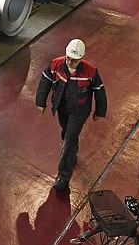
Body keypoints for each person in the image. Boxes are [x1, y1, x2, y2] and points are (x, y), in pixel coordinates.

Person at [36, 39, 107, 192]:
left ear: (81, 59)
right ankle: (71, 152)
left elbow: (99, 91)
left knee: (69, 138)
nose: (69, 62)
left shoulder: (90, 71)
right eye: (68, 58)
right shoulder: (56, 64)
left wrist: (99, 112)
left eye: (74, 60)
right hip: (61, 106)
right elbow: (45, 81)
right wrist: (41, 102)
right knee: (66, 132)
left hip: (79, 111)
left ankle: (63, 175)